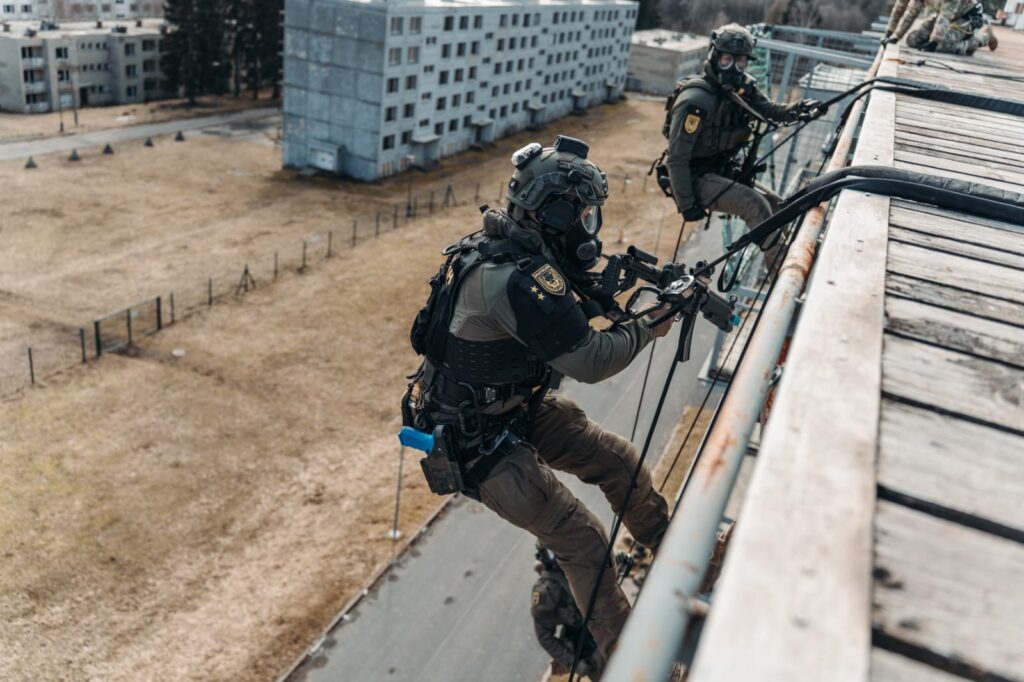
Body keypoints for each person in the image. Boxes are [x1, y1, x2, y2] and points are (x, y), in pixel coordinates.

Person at [403, 135, 672, 676]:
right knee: (583, 542)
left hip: (513, 410)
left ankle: (676, 551)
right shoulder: (513, 277)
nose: (590, 229)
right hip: (477, 445)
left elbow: (571, 304)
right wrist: (649, 325)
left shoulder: (513, 253)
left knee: (616, 460)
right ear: (554, 214)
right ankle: (634, 667)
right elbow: (591, 360)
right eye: (585, 215)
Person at [661, 23, 825, 234]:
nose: (733, 68)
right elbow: (677, 158)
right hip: (693, 177)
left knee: (780, 207)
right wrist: (687, 203)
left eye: (739, 62)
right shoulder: (696, 101)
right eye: (726, 59)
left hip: (721, 170)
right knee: (753, 204)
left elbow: (770, 110)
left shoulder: (742, 90)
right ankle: (779, 256)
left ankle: (789, 250)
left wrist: (799, 109)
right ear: (714, 57)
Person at [531, 544, 598, 677]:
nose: (556, 555)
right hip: (588, 645)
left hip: (610, 623)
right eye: (550, 553)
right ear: (542, 557)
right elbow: (544, 636)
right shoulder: (545, 591)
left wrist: (616, 562)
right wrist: (573, 663)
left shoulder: (581, 562)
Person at [885, 0, 997, 52]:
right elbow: (909, 12)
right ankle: (954, 39)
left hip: (967, 17)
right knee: (913, 40)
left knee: (941, 45)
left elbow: (945, 16)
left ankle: (983, 38)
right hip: (946, 16)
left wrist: (934, 41)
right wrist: (893, 34)